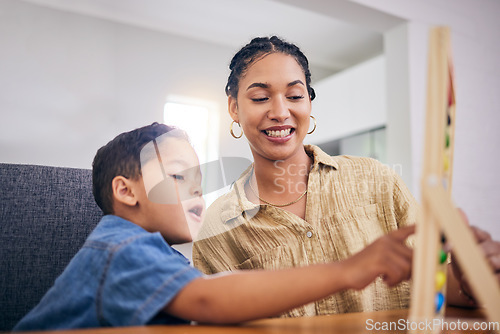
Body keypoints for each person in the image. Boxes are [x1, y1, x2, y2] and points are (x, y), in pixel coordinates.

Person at [193, 36, 500, 317]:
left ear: (309, 102)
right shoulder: (218, 227)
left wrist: (471, 279)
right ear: (234, 108)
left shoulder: (377, 180)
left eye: (295, 95)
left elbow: (436, 285)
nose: (280, 111)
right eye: (260, 98)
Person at [14, 122, 415, 331]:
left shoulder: (152, 253)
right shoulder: (120, 246)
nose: (197, 197)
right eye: (178, 179)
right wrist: (345, 270)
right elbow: (207, 300)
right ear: (127, 191)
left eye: (199, 186)